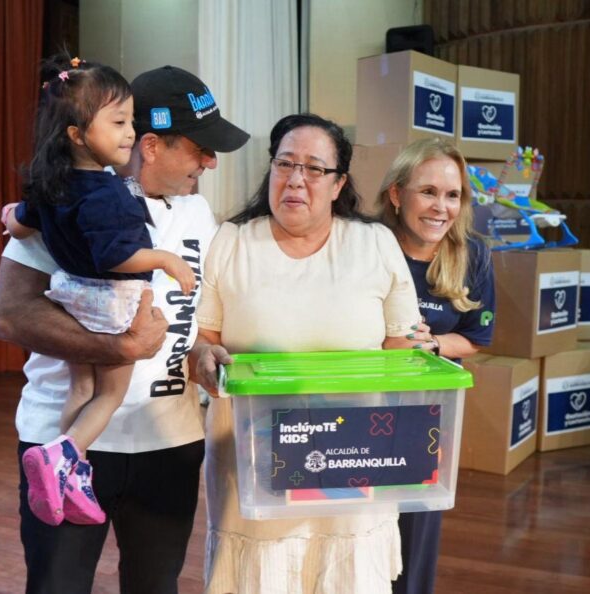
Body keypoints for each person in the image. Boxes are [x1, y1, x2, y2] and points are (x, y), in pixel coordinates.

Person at [0, 64, 249, 593]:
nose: (211, 161)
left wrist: (199, 349)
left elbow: (191, 315)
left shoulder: (199, 212)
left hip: (168, 442)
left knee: (156, 585)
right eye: (199, 148)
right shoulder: (71, 197)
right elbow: (9, 314)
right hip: (66, 441)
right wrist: (121, 345)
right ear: (150, 145)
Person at [189, 113, 426, 594]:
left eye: (315, 169)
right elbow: (202, 340)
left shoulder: (374, 244)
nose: (297, 179)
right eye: (285, 164)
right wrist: (203, 360)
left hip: (353, 462)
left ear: (338, 184)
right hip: (254, 468)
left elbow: (401, 353)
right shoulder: (231, 243)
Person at [0, 55, 198, 528]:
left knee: (82, 385)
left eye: (130, 121)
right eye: (119, 123)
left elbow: (20, 224)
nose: (129, 133)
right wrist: (165, 259)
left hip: (71, 297)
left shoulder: (49, 184)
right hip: (111, 303)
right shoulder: (107, 192)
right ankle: (64, 456)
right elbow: (116, 257)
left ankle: (64, 467)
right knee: (108, 393)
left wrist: (10, 216)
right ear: (76, 133)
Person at [377, 137, 496, 594]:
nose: (441, 207)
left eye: (452, 195)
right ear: (396, 193)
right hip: (357, 406)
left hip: (424, 420)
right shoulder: (368, 243)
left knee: (414, 540)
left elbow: (476, 338)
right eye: (428, 191)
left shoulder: (474, 255)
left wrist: (431, 345)